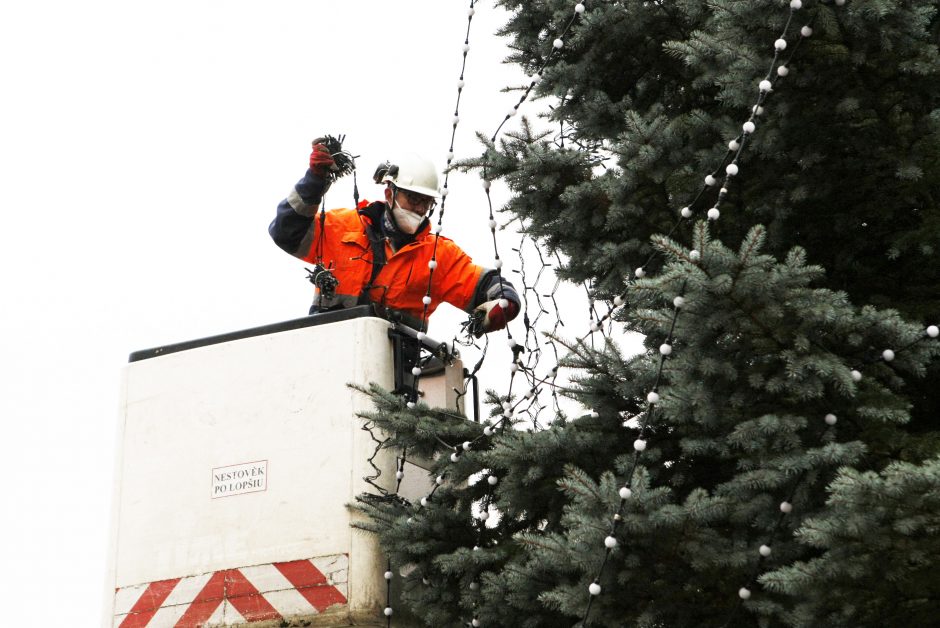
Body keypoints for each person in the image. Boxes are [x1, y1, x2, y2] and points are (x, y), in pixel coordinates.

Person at [269, 140, 520, 336]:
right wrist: (314, 180)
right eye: (413, 199)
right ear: (390, 194)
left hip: (394, 380)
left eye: (427, 202)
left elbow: (487, 285)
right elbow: (286, 232)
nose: (420, 209)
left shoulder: (437, 257)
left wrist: (505, 303)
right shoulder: (343, 227)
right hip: (328, 355)